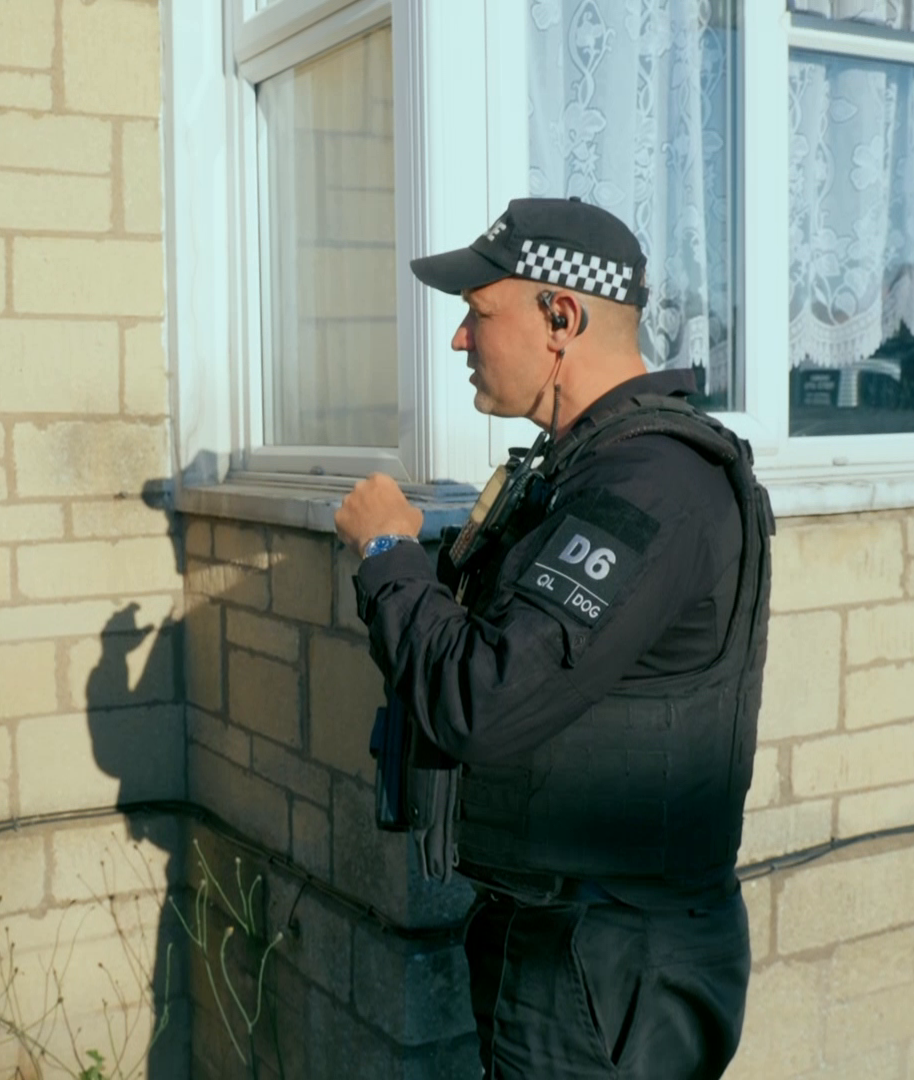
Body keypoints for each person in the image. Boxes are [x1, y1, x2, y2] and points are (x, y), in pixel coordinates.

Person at [333, 197, 773, 1079]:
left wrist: (387, 554)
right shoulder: (591, 470)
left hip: (604, 959)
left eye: (479, 312)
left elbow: (482, 699)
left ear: (561, 318)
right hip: (576, 941)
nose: (459, 339)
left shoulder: (648, 488)